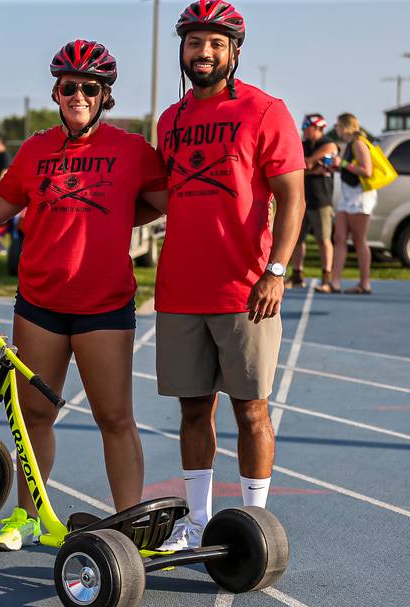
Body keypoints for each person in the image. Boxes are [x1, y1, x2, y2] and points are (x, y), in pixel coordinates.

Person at [0, 40, 168, 551]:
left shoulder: (131, 150)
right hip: (39, 304)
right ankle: (28, 516)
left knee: (115, 418)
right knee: (34, 416)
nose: (78, 94)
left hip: (104, 306)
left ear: (105, 95)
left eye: (89, 87)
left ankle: (130, 525)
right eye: (68, 86)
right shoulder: (36, 149)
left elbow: (167, 202)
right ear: (56, 92)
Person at [154, 1, 305, 551]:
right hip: (179, 290)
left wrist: (276, 270)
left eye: (216, 43)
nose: (205, 52)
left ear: (234, 51)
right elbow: (155, 195)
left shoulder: (266, 111)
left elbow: (293, 199)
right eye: (195, 42)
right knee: (193, 410)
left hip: (245, 290)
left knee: (252, 410)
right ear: (184, 49)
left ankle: (253, 529)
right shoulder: (170, 120)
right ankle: (196, 525)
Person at [318, 113, 375, 295]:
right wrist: (336, 166)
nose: (336, 129)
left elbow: (367, 171)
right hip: (347, 196)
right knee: (339, 238)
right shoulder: (350, 144)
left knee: (359, 240)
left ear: (345, 126)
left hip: (360, 196)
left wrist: (341, 162)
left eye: (338, 126)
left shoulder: (359, 142)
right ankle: (335, 282)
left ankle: (365, 283)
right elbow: (349, 167)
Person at [284, 114, 337, 290]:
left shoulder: (327, 143)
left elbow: (329, 150)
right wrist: (313, 168)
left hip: (321, 199)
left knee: (323, 239)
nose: (303, 131)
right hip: (302, 198)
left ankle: (326, 278)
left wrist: (310, 162)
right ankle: (297, 275)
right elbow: (299, 166)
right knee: (298, 239)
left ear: (316, 128)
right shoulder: (303, 144)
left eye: (307, 127)